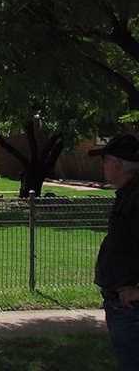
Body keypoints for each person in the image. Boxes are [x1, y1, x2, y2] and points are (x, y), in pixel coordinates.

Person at [90, 134, 139, 371]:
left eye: (105, 161)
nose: (103, 166)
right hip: (121, 305)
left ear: (118, 165)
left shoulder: (136, 199)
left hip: (131, 308)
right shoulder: (127, 196)